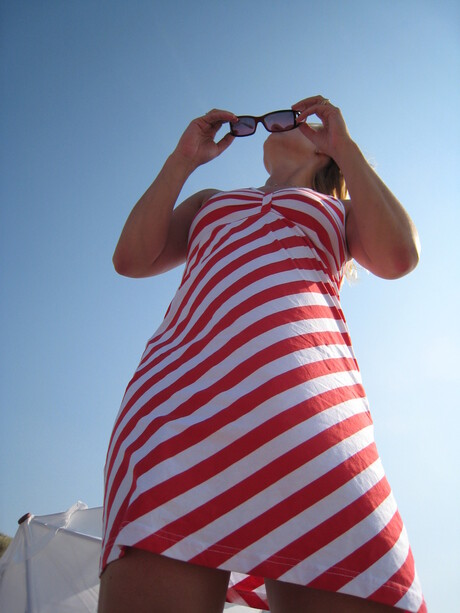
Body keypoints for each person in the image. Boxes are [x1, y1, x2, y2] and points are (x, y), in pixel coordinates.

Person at [98, 95, 426, 613]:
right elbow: (130, 258)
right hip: (179, 407)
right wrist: (183, 159)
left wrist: (349, 149)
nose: (275, 124)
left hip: (312, 411)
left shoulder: (343, 210)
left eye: (292, 120)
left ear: (325, 153)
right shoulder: (211, 199)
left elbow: (399, 256)